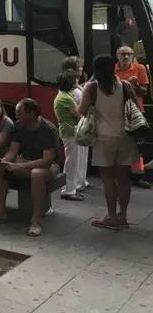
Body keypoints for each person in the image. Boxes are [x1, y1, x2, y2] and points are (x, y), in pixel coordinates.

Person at [79, 54, 140, 229]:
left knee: (107, 179)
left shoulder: (92, 87)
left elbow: (81, 111)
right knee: (123, 179)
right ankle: (123, 217)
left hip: (103, 139)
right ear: (113, 68)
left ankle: (111, 217)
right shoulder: (125, 85)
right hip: (125, 137)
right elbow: (134, 107)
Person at [0, 98, 60, 237]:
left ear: (31, 113)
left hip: (48, 166)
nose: (16, 114)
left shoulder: (48, 129)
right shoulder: (19, 126)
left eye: (19, 111)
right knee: (0, 167)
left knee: (36, 174)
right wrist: (4, 161)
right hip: (24, 161)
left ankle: (36, 219)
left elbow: (46, 161)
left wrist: (20, 166)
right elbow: (13, 151)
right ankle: (0, 212)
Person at [114, 46, 151, 189]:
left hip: (135, 112)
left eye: (129, 54)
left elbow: (144, 92)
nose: (126, 57)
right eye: (123, 54)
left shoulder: (140, 68)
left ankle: (138, 176)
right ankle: (121, 174)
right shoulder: (113, 69)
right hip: (116, 112)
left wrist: (135, 85)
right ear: (117, 55)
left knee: (137, 145)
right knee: (118, 143)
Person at [54, 70, 84, 201]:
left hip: (69, 132)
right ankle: (69, 190)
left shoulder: (63, 95)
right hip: (70, 132)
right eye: (75, 81)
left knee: (71, 161)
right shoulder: (66, 98)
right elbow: (79, 115)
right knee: (71, 162)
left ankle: (70, 188)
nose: (77, 82)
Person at [62, 56, 90, 190]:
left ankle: (81, 180)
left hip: (79, 128)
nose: (82, 68)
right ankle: (69, 185)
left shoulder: (75, 84)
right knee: (73, 158)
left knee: (82, 154)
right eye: (79, 66)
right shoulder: (69, 89)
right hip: (72, 128)